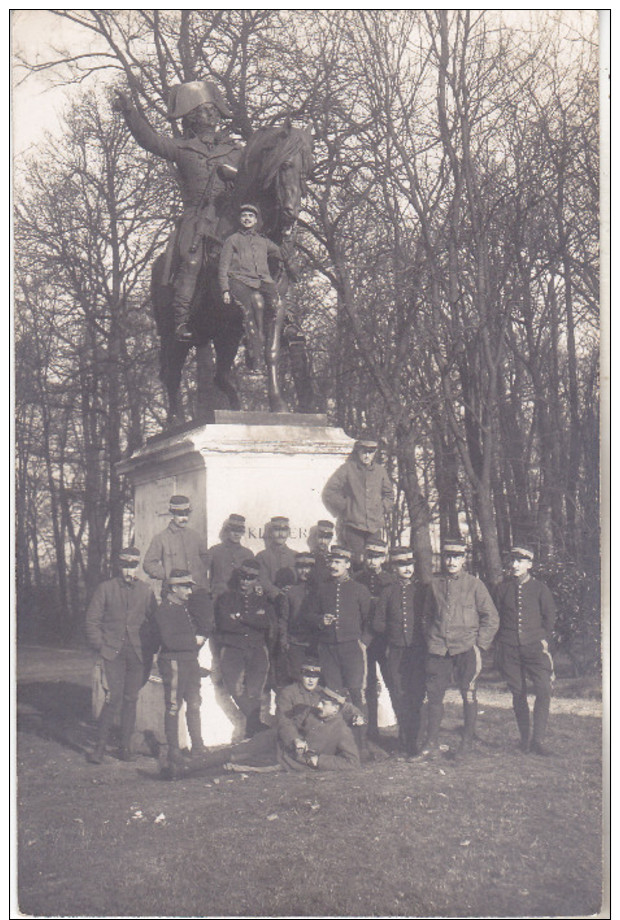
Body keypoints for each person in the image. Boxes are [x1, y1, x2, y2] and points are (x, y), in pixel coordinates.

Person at [113, 79, 242, 342]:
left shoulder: (235, 150)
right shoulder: (181, 148)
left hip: (228, 215)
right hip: (197, 219)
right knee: (192, 261)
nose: (209, 116)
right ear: (192, 118)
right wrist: (130, 112)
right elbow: (148, 140)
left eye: (212, 111)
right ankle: (181, 319)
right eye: (203, 112)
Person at [162, 684, 360, 778]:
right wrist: (296, 739)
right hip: (278, 741)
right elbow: (287, 723)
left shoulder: (342, 731)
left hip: (287, 760)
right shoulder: (312, 712)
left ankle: (182, 773)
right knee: (235, 751)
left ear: (336, 708)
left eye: (324, 703)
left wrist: (320, 761)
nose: (319, 704)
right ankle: (187, 766)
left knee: (237, 764)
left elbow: (352, 762)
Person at [416, 537, 499, 761]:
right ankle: (430, 744)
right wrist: (431, 638)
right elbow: (426, 616)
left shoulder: (474, 584)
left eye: (457, 557)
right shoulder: (434, 584)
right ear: (443, 558)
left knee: (468, 692)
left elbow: (491, 617)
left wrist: (479, 646)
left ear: (464, 559)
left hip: (466, 648)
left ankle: (467, 743)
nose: (451, 561)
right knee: (433, 695)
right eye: (448, 556)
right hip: (438, 648)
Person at [218, 202, 294, 411]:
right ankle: (253, 346)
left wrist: (287, 236)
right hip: (240, 280)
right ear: (240, 220)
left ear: (256, 220)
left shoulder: (264, 242)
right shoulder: (232, 240)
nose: (247, 219)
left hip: (263, 281)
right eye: (244, 216)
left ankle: (288, 326)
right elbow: (223, 267)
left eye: (251, 216)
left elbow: (282, 255)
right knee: (252, 306)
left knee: (278, 303)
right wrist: (225, 289)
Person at [85, 547, 157, 763]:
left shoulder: (146, 590)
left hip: (137, 654)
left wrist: (150, 650)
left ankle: (125, 748)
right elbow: (92, 621)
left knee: (131, 698)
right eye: (125, 565)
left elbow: (154, 624)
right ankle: (99, 748)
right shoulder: (105, 589)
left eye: (133, 565)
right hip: (113, 652)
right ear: (119, 566)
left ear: (137, 567)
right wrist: (101, 646)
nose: (129, 570)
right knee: (113, 698)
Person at [494, 544, 557, 755]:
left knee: (543, 690)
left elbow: (550, 618)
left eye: (520, 561)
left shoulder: (540, 589)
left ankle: (538, 740)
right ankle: (524, 740)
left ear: (529, 564)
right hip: (509, 648)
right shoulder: (503, 589)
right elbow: (497, 618)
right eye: (512, 561)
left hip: (534, 648)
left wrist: (542, 640)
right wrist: (500, 643)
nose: (514, 565)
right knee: (518, 693)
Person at [153, 569, 214, 770]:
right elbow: (169, 640)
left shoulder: (186, 608)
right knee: (173, 706)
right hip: (174, 663)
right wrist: (193, 641)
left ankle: (198, 746)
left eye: (189, 586)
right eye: (185, 587)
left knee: (195, 703)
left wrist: (198, 640)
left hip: (190, 661)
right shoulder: (164, 610)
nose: (189, 591)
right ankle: (174, 751)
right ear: (173, 588)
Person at [373, 547, 427, 758]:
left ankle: (416, 741)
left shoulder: (422, 590)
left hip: (417, 651)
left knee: (416, 694)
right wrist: (392, 635)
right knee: (398, 694)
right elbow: (378, 623)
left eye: (409, 564)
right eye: (401, 565)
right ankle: (403, 741)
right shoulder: (388, 592)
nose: (406, 569)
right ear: (394, 568)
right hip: (395, 651)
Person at [214, 558, 277, 738]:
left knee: (255, 690)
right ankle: (255, 723)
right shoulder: (226, 597)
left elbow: (266, 623)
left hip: (257, 648)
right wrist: (252, 619)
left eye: (250, 578)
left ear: (256, 580)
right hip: (233, 648)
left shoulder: (262, 599)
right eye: (242, 577)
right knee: (234, 688)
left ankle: (251, 732)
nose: (245, 581)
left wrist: (240, 617)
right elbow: (225, 624)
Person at [307, 546, 372, 716]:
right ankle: (336, 737)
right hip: (328, 649)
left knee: (356, 692)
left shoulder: (359, 589)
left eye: (338, 562)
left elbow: (370, 621)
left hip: (352, 648)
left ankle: (359, 739)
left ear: (347, 565)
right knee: (332, 693)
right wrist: (321, 620)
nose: (333, 566)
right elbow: (310, 616)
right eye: (331, 562)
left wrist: (363, 643)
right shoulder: (322, 589)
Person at [322, 433, 394, 567]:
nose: (367, 456)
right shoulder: (348, 469)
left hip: (374, 527)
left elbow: (389, 495)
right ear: (358, 451)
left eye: (371, 452)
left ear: (375, 453)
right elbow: (330, 492)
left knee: (374, 561)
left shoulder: (380, 471)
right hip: (354, 527)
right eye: (364, 452)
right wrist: (346, 507)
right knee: (356, 562)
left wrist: (381, 508)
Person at [353, 538, 396, 740]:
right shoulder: (356, 579)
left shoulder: (391, 581)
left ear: (384, 558)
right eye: (370, 556)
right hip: (363, 639)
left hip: (384, 639)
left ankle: (404, 729)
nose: (373, 561)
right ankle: (371, 729)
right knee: (367, 683)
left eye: (377, 557)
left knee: (392, 681)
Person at [143, 495, 209, 598]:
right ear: (172, 514)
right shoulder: (161, 538)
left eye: (186, 514)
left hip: (195, 591)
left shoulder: (195, 536)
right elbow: (148, 563)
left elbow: (205, 558)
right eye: (180, 514)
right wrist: (166, 574)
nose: (184, 518)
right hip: (173, 592)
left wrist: (199, 573)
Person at [279, 552, 320, 683]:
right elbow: (284, 618)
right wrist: (284, 641)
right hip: (296, 643)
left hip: (317, 643)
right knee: (296, 678)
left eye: (308, 567)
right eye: (301, 567)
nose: (304, 571)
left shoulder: (321, 590)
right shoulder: (291, 592)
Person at [205, 513, 254, 601]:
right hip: (218, 598)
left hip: (240, 600)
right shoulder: (215, 551)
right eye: (233, 530)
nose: (236, 534)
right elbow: (204, 574)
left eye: (240, 531)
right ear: (227, 530)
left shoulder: (248, 554)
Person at [256, 516, 297, 602]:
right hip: (270, 601)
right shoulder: (262, 556)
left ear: (289, 533)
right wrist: (277, 593)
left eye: (284, 531)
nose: (281, 534)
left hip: (292, 601)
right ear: (270, 533)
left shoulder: (295, 555)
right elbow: (263, 580)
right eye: (277, 530)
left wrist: (292, 591)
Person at [309, 519, 335, 586]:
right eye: (320, 537)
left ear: (331, 539)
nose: (323, 541)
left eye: (326, 538)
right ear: (315, 537)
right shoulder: (310, 557)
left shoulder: (333, 558)